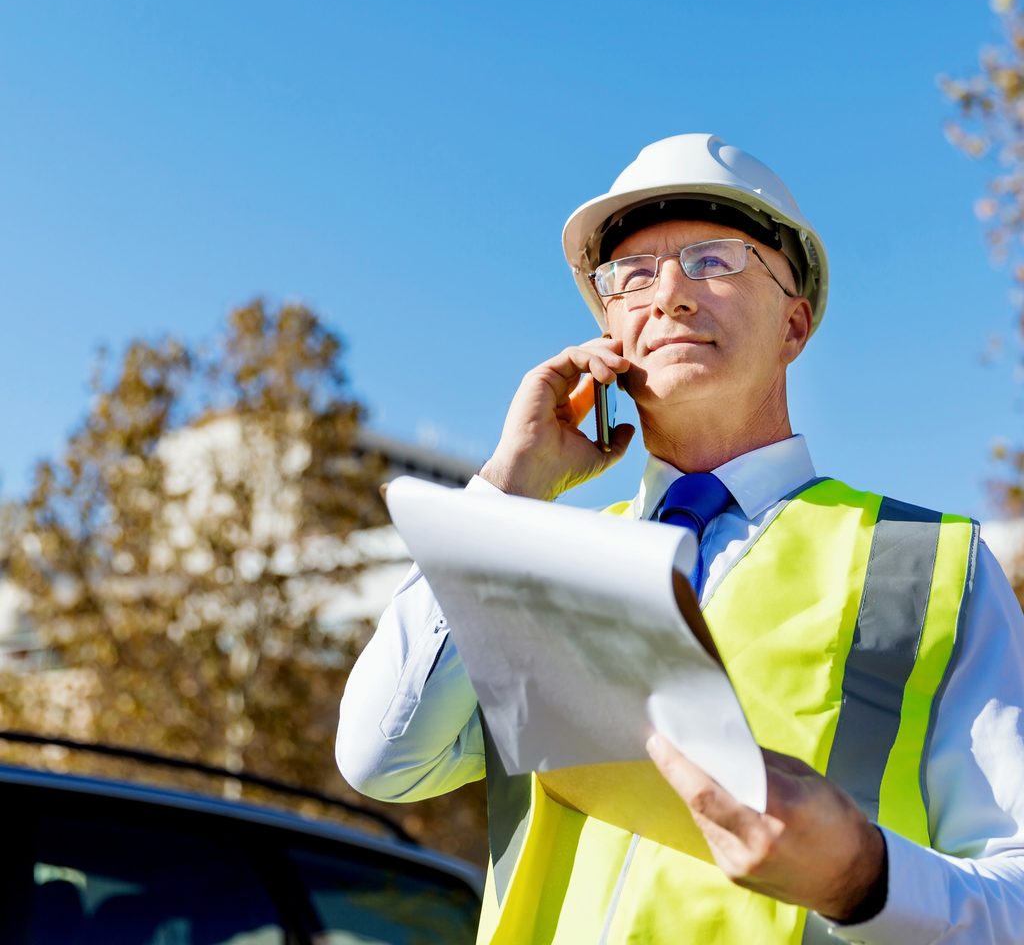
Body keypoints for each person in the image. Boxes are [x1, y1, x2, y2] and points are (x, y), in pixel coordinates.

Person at [337, 134, 1024, 943]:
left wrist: (860, 876)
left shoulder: (927, 565)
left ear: (795, 324)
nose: (667, 296)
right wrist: (507, 490)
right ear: (609, 338)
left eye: (715, 261)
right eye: (631, 275)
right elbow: (382, 760)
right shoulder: (534, 560)